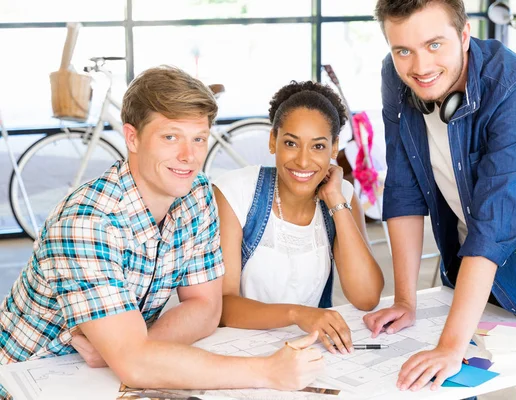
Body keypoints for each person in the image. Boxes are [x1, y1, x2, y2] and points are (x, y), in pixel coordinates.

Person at [0, 66, 324, 399]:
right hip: (27, 378)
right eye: (170, 137)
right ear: (132, 138)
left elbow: (206, 308)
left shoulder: (196, 194)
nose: (189, 156)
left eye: (198, 138)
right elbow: (136, 365)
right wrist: (269, 371)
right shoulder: (87, 223)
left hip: (103, 377)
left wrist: (131, 351)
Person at [363, 0, 516, 398]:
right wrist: (405, 300)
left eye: (434, 44)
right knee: (449, 367)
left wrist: (450, 346)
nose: (419, 66)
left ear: (464, 34)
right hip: (469, 231)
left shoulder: (514, 88)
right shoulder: (396, 74)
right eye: (403, 49)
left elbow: (496, 223)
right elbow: (403, 186)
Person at [213, 81, 384, 354]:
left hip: (308, 351)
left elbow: (366, 297)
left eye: (318, 147)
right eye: (291, 143)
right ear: (273, 141)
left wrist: (337, 203)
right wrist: (298, 314)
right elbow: (221, 306)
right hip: (239, 350)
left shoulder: (343, 195)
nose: (303, 162)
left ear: (334, 147)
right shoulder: (236, 192)